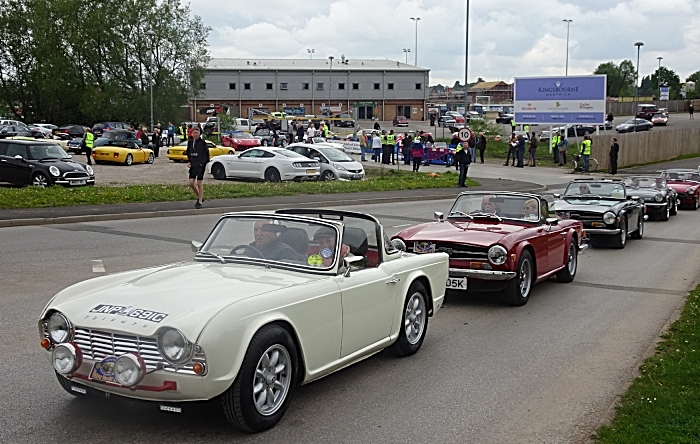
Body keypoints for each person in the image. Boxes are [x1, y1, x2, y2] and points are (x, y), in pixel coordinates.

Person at [186, 126, 209, 209]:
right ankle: (200, 196)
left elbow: (206, 155)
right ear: (192, 133)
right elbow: (188, 152)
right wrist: (189, 161)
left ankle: (199, 201)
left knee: (199, 183)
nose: (196, 134)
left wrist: (202, 163)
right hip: (193, 165)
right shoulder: (190, 142)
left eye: (197, 133)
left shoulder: (202, 143)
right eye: (194, 133)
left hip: (200, 165)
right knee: (191, 183)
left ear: (199, 134)